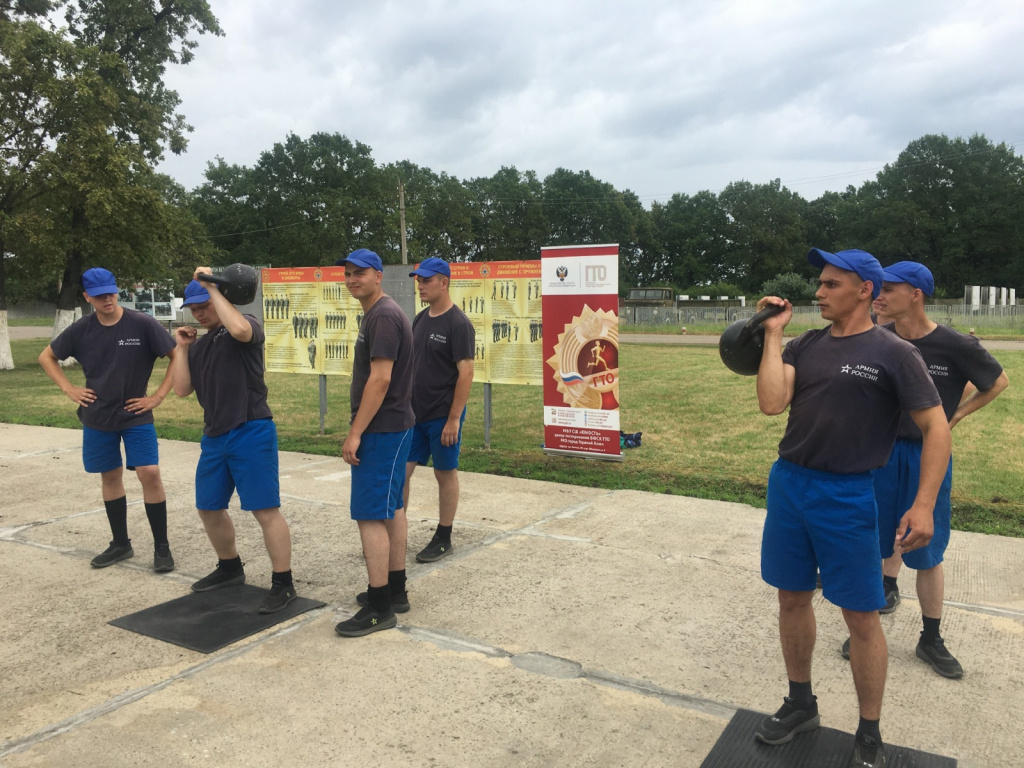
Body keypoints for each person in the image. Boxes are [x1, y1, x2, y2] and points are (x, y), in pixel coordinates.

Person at [754, 248, 951, 768]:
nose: (819, 292)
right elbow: (773, 402)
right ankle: (801, 703)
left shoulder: (894, 353)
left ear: (865, 289)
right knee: (791, 599)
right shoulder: (806, 345)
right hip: (791, 484)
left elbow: (936, 429)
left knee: (861, 616)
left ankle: (869, 729)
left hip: (848, 495)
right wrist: (773, 335)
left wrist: (924, 504)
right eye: (819, 283)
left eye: (831, 284)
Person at [840, 261, 1008, 678]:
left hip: (926, 456)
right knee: (875, 541)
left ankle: (930, 638)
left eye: (889, 289)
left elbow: (997, 382)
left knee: (928, 551)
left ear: (915, 294)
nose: (879, 296)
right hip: (880, 455)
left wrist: (954, 418)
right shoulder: (879, 339)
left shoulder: (955, 345)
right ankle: (871, 621)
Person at [170, 271, 297, 614]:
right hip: (214, 435)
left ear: (218, 299)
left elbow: (239, 329)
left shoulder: (246, 325)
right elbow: (181, 389)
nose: (198, 312)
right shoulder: (200, 344)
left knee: (264, 510)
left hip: (250, 428)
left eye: (204, 304)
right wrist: (181, 349)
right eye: (193, 307)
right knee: (209, 507)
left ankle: (283, 583)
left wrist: (213, 286)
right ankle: (229, 567)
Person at [38, 267, 177, 572]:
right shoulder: (82, 329)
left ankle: (162, 548)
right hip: (98, 416)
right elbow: (46, 357)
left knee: (149, 473)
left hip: (135, 414)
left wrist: (157, 397)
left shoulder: (142, 324)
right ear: (87, 297)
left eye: (111, 293)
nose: (108, 300)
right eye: (100, 296)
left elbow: (177, 356)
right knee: (110, 476)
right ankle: (120, 544)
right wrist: (70, 389)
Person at [335, 249, 415, 638]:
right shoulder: (381, 312)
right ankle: (395, 589)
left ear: (378, 275)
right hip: (393, 426)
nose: (352, 279)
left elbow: (380, 379)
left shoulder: (383, 316)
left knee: (369, 514)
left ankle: (379, 606)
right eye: (348, 273)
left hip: (382, 430)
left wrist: (355, 432)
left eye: (360, 273)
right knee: (391, 509)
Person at [404, 257, 475, 565]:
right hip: (413, 416)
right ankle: (394, 531)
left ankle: (444, 536)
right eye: (418, 280)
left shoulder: (457, 324)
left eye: (426, 280)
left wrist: (454, 419)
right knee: (401, 472)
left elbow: (466, 373)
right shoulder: (420, 319)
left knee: (444, 473)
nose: (420, 285)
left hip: (442, 416)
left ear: (444, 282)